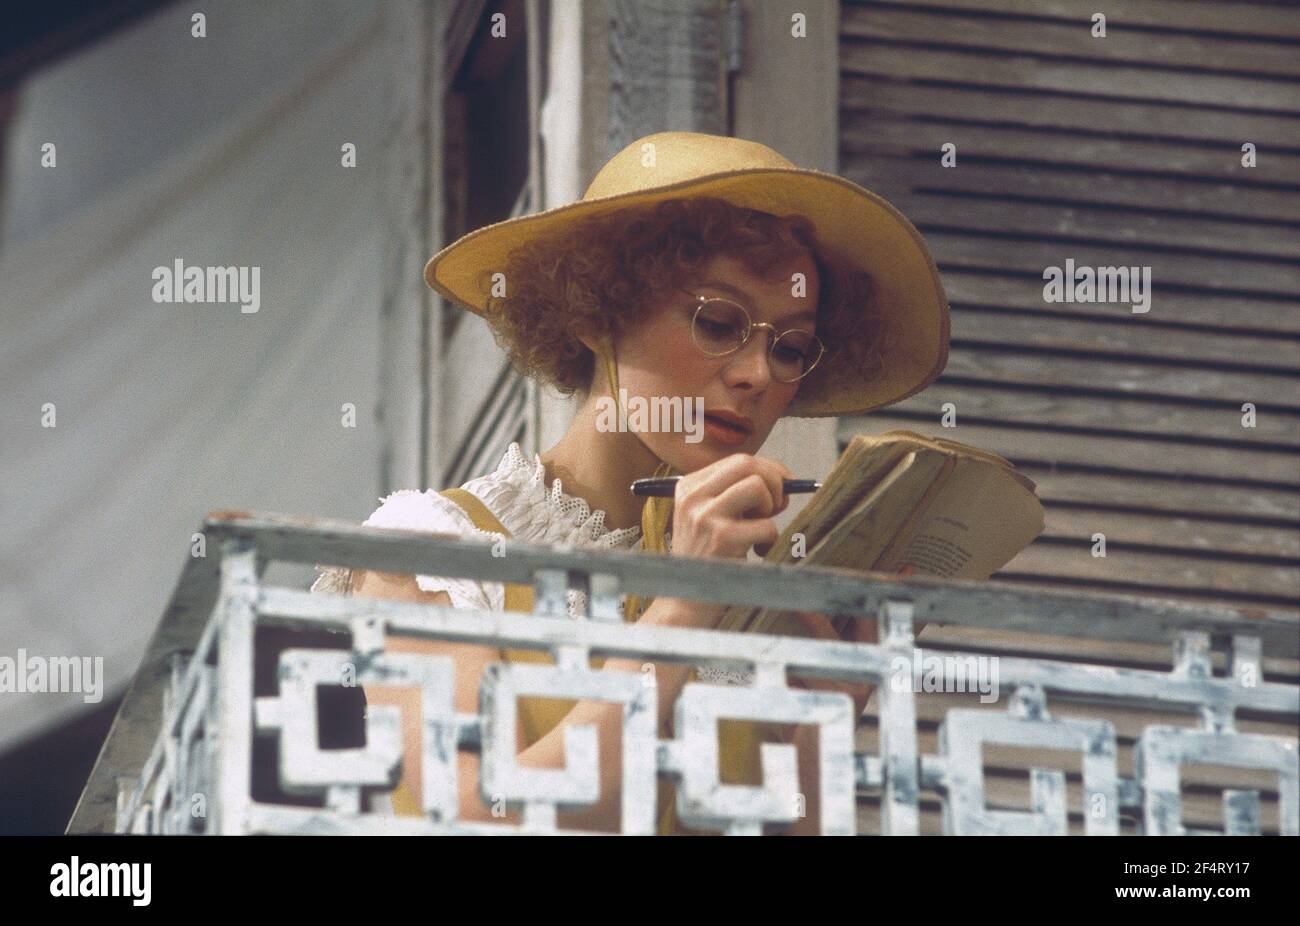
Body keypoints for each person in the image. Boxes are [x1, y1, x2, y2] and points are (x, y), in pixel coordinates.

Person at [311, 131, 949, 834]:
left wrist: (822, 717)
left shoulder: (759, 605)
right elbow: (472, 823)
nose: (758, 374)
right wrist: (679, 611)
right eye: (717, 321)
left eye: (790, 347)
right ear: (595, 313)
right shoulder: (434, 549)